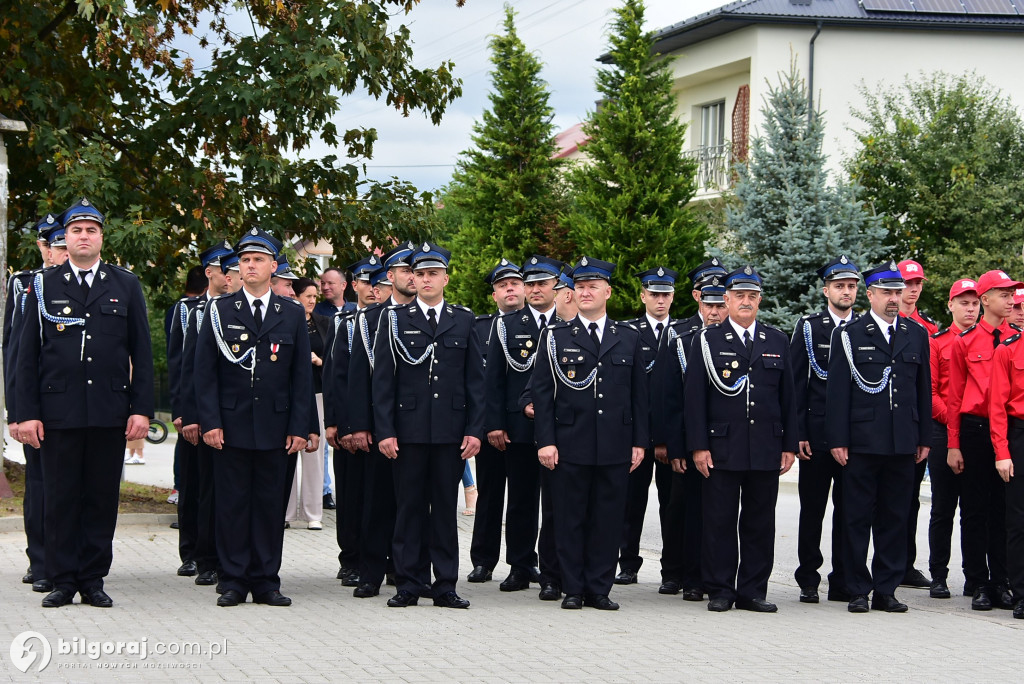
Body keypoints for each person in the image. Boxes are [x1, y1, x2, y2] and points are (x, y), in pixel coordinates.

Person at [17, 198, 154, 608]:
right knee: (59, 497)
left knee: (100, 497)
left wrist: (141, 409)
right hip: (58, 412)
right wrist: (25, 413)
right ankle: (61, 579)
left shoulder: (125, 284)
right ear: (66, 237)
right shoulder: (42, 285)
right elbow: (26, 355)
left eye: (90, 230)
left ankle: (93, 578)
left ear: (101, 237)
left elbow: (142, 353)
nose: (83, 237)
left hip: (109, 410)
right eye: (75, 231)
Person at [194, 227, 313, 607]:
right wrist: (210, 422)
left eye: (258, 259)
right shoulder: (219, 310)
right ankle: (233, 580)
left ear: (273, 266)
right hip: (231, 426)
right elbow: (204, 372)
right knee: (231, 505)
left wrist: (300, 426)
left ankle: (265, 580)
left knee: (269, 506)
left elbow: (300, 376)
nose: (249, 265)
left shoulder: (291, 312)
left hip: (277, 428)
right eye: (245, 260)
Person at [372, 242, 484, 609]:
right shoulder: (395, 320)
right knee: (409, 509)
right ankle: (408, 583)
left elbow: (475, 383)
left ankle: (445, 584)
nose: (425, 279)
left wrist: (474, 429)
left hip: (451, 433)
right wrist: (386, 431)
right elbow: (384, 382)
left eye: (432, 273)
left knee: (443, 510)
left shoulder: (463, 320)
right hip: (408, 431)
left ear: (445, 278)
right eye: (418, 274)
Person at [532, 256, 648, 611]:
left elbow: (639, 395)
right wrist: (546, 440)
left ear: (607, 292)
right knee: (570, 518)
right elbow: (542, 393)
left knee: (608, 520)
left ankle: (600, 588)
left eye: (592, 286)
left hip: (615, 444)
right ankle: (573, 588)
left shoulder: (628, 337)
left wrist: (640, 441)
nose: (584, 292)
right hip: (571, 443)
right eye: (579, 287)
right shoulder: (555, 337)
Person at [684, 266, 797, 613]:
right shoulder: (707, 340)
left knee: (760, 521)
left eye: (752, 296)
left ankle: (752, 590)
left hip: (765, 445)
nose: (745, 302)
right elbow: (694, 399)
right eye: (739, 296)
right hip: (721, 446)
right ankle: (720, 589)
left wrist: (789, 445)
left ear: (759, 300)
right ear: (728, 299)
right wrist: (699, 446)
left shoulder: (776, 340)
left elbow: (789, 398)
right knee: (718, 521)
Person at [826, 261, 931, 614]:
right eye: (886, 292)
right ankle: (857, 588)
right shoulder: (851, 334)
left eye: (897, 292)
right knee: (856, 517)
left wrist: (924, 437)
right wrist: (838, 439)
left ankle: (886, 588)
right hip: (862, 441)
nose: (893, 298)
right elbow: (837, 392)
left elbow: (922, 391)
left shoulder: (915, 334)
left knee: (895, 517)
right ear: (869, 294)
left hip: (903, 441)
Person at [480, 257, 560, 593]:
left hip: (560, 429)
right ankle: (520, 565)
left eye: (543, 283)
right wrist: (495, 423)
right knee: (522, 500)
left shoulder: (568, 323)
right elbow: (494, 379)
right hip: (519, 429)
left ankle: (555, 567)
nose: (536, 289)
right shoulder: (507, 325)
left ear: (557, 287)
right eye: (532, 283)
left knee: (556, 503)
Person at [342, 241, 417, 598]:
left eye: (417, 271)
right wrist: (357, 425)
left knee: (416, 504)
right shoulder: (370, 319)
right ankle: (371, 571)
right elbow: (358, 377)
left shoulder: (430, 316)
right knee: (377, 503)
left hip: (420, 428)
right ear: (390, 276)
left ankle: (408, 572)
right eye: (405, 270)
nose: (412, 277)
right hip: (378, 426)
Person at [945, 269, 1021, 611]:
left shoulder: (1013, 340)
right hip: (975, 430)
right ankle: (977, 580)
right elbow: (955, 397)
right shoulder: (966, 341)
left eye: (1011, 294)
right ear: (985, 299)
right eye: (1003, 295)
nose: (1010, 300)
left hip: (1007, 432)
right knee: (975, 509)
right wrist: (954, 444)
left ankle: (1002, 580)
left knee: (1004, 510)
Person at [789, 256, 860, 604]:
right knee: (813, 509)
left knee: (850, 511)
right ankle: (808, 577)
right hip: (815, 436)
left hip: (853, 437)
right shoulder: (809, 327)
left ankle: (843, 578)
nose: (846, 292)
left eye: (851, 286)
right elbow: (795, 384)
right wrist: (798, 431)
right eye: (839, 286)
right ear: (826, 290)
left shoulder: (864, 329)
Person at [654, 275, 727, 600]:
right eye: (709, 305)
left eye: (720, 305)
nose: (715, 311)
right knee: (679, 509)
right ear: (699, 302)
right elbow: (669, 399)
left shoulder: (734, 340)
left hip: (723, 442)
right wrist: (673, 445)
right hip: (686, 441)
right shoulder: (681, 338)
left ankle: (703, 577)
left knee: (712, 514)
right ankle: (673, 572)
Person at [4, 214, 63, 595]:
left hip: (72, 403)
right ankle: (39, 560)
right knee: (40, 485)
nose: (57, 252)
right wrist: (18, 408)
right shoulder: (25, 284)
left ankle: (69, 561)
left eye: (62, 245)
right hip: (38, 402)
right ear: (43, 247)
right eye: (52, 245)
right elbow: (13, 349)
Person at [616, 267, 678, 586]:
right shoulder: (628, 332)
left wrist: (669, 438)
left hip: (670, 438)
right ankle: (628, 564)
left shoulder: (682, 333)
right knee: (631, 504)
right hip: (636, 436)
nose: (660, 300)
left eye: (665, 294)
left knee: (672, 506)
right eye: (654, 294)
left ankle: (671, 571)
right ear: (642, 296)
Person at [467, 259, 527, 583]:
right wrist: (488, 425)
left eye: (515, 283)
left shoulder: (540, 326)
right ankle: (483, 561)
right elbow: (478, 384)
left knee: (522, 498)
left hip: (524, 429)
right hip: (490, 429)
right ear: (494, 295)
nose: (509, 289)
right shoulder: (479, 328)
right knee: (489, 497)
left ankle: (521, 563)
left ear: (524, 289)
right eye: (503, 285)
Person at [927, 278, 980, 599]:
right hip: (943, 428)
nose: (970, 309)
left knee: (975, 510)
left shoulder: (988, 341)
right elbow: (931, 392)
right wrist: (954, 422)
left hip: (974, 434)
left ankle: (975, 577)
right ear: (951, 305)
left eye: (974, 303)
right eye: (964, 303)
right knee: (943, 508)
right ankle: (938, 575)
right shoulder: (937, 341)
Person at [895, 259, 937, 589]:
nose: (913, 290)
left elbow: (927, 386)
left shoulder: (927, 329)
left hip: (912, 427)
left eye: (917, 284)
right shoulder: (885, 323)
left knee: (909, 502)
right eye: (907, 284)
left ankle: (905, 564)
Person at [285, 277, 330, 530]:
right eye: (308, 296)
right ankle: (287, 512)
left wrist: (319, 361)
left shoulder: (324, 323)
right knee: (289, 448)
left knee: (315, 453)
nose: (312, 301)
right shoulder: (287, 320)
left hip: (319, 393)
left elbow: (333, 359)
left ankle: (314, 513)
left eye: (315, 296)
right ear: (296, 296)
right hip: (292, 395)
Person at [988, 316, 1024, 619]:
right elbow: (997, 405)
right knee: (1018, 521)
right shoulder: (1008, 350)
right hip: (1019, 436)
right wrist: (1002, 451)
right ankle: (1022, 592)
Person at [165, 264, 209, 506]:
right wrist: (180, 406)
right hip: (190, 398)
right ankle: (180, 490)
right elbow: (179, 360)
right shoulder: (183, 310)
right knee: (187, 454)